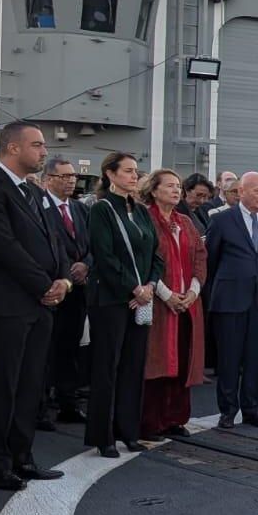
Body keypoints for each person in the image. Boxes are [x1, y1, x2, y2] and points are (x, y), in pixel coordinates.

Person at [0, 120, 71, 491]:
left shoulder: (33, 190)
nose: (44, 151)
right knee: (2, 387)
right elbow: (2, 245)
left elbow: (53, 240)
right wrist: (43, 285)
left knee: (30, 386)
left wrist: (62, 279)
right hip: (7, 305)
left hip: (40, 305)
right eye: (37, 145)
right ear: (12, 148)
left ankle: (23, 457)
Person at [85, 153, 162, 457]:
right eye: (128, 171)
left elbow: (156, 254)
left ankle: (129, 431)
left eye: (136, 171)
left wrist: (149, 286)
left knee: (133, 366)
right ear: (110, 174)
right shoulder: (101, 209)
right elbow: (104, 256)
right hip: (111, 299)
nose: (134, 176)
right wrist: (133, 287)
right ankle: (103, 436)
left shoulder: (141, 211)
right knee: (107, 367)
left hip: (140, 298)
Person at [204, 172, 258, 429]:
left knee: (256, 357)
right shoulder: (222, 220)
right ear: (242, 192)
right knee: (229, 358)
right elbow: (211, 259)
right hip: (230, 300)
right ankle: (228, 410)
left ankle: (252, 408)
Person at [141, 169, 206, 440]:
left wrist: (193, 290)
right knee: (157, 362)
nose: (176, 190)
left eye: (178, 186)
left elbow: (200, 258)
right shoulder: (146, 219)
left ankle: (175, 419)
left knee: (182, 360)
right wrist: (166, 295)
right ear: (154, 191)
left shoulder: (185, 222)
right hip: (158, 302)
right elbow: (145, 260)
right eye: (169, 186)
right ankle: (150, 422)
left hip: (187, 303)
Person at [40, 156, 90, 427]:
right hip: (51, 288)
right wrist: (66, 270)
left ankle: (68, 402)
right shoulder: (39, 207)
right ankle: (42, 405)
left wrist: (86, 265)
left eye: (73, 176)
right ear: (48, 179)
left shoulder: (81, 210)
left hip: (78, 291)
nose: (71, 180)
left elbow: (92, 245)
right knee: (46, 350)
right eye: (64, 176)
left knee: (70, 349)